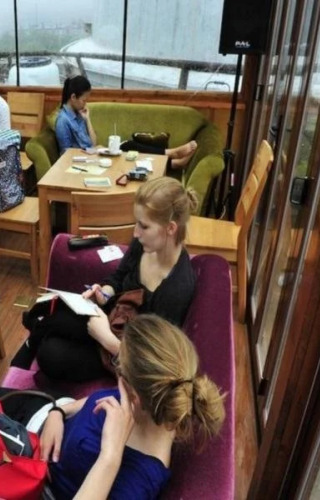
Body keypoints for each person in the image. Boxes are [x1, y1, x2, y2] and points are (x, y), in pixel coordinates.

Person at [0, 314, 225, 500]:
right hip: (46, 414)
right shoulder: (149, 401)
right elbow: (88, 403)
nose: (117, 368)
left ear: (134, 394)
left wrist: (110, 457)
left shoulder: (140, 479)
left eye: (119, 364)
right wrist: (58, 411)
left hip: (27, 458)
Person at [17, 177, 198, 382]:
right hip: (112, 317)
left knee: (51, 354)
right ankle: (36, 335)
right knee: (54, 312)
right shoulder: (145, 245)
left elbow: (153, 362)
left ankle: (37, 341)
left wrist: (106, 339)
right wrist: (104, 291)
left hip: (123, 348)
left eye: (144, 226)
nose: (135, 233)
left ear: (171, 228)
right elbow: (118, 277)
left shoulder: (176, 289)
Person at [54, 75, 198, 168]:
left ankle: (173, 161)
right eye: (84, 100)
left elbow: (93, 142)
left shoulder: (79, 114)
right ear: (73, 97)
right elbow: (66, 155)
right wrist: (91, 152)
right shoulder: (63, 121)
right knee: (128, 148)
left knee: (130, 150)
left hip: (93, 154)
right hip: (86, 161)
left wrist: (88, 120)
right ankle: (172, 156)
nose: (85, 104)